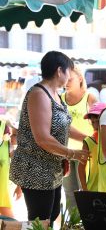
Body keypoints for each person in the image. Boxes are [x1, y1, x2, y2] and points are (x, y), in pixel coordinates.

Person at [9, 51, 89, 226]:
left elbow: (65, 126)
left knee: (51, 216)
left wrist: (89, 139)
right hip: (36, 169)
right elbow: (43, 138)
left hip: (52, 169)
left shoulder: (55, 94)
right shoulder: (39, 94)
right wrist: (72, 153)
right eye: (68, 72)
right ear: (59, 71)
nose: (69, 77)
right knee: (40, 220)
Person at [61, 66, 97, 209]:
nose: (66, 83)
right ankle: (73, 223)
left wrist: (90, 142)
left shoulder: (90, 98)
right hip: (66, 152)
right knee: (69, 192)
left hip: (85, 152)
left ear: (80, 79)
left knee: (85, 190)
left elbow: (99, 125)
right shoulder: (60, 99)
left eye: (70, 79)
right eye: (65, 79)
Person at [78, 102, 106, 192]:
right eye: (92, 121)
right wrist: (85, 189)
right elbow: (81, 167)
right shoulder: (88, 142)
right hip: (93, 189)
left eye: (97, 120)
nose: (94, 124)